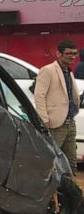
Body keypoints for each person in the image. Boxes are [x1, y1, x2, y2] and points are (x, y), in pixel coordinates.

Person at [33, 39, 80, 168]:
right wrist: (44, 119)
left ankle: (69, 187)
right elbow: (39, 96)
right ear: (58, 54)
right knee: (50, 158)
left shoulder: (68, 71)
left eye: (74, 53)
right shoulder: (48, 70)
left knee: (71, 160)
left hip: (70, 122)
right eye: (69, 53)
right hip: (55, 124)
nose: (72, 56)